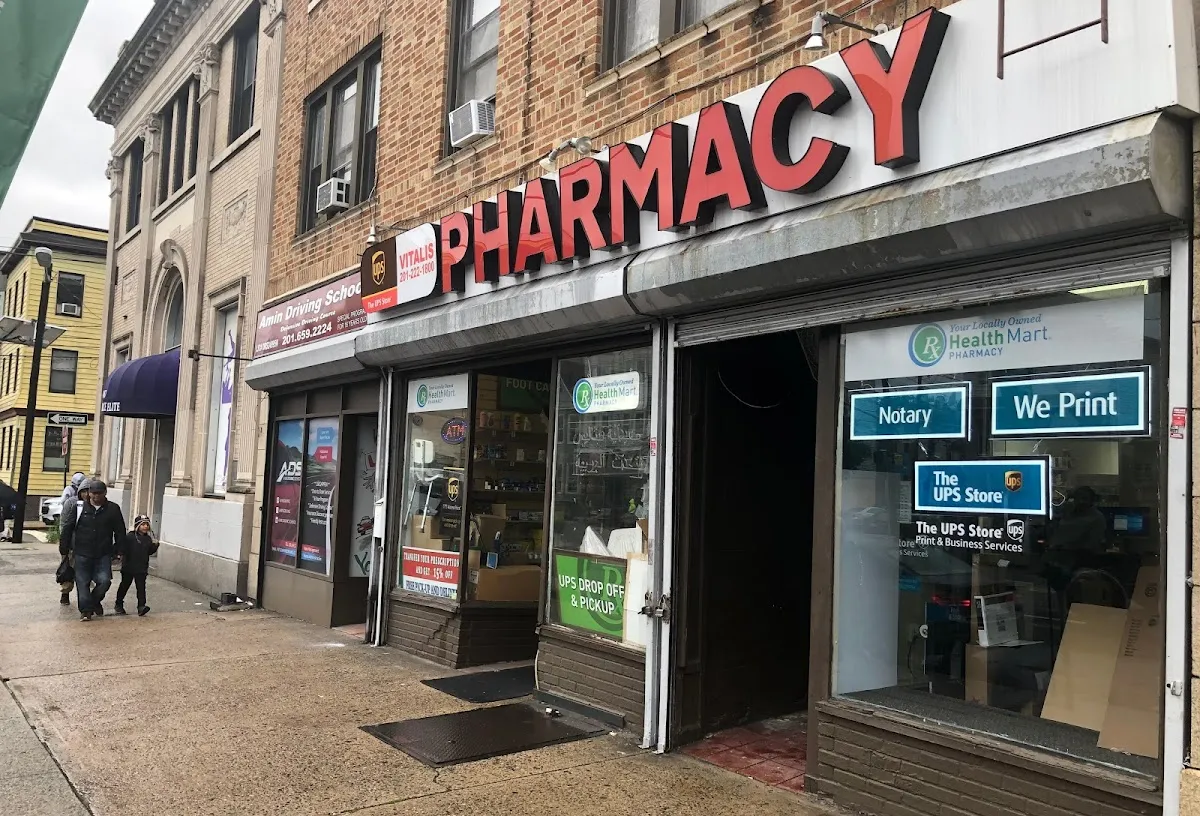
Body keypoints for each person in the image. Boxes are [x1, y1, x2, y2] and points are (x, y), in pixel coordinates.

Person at [59, 479, 126, 621]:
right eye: (93, 493)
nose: (96, 496)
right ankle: (86, 611)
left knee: (105, 581)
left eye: (99, 493)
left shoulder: (113, 509)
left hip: (103, 552)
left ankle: (94, 601)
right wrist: (64, 548)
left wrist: (120, 550)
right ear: (89, 493)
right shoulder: (78, 508)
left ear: (105, 493)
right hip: (82, 552)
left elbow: (120, 531)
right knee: (82, 582)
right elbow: (68, 528)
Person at [115, 515, 157, 616]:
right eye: (143, 524)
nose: (145, 527)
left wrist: (155, 546)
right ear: (137, 526)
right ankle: (119, 603)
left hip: (141, 567)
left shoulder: (148, 539)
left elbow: (149, 552)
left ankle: (141, 606)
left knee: (141, 587)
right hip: (128, 567)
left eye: (147, 524)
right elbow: (123, 548)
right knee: (124, 585)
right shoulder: (130, 537)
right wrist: (119, 555)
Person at [56, 473, 86, 604]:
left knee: (84, 572)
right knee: (67, 568)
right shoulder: (70, 501)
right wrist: (65, 542)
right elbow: (64, 523)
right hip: (71, 542)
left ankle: (84, 598)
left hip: (85, 543)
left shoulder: (91, 503)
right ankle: (65, 593)